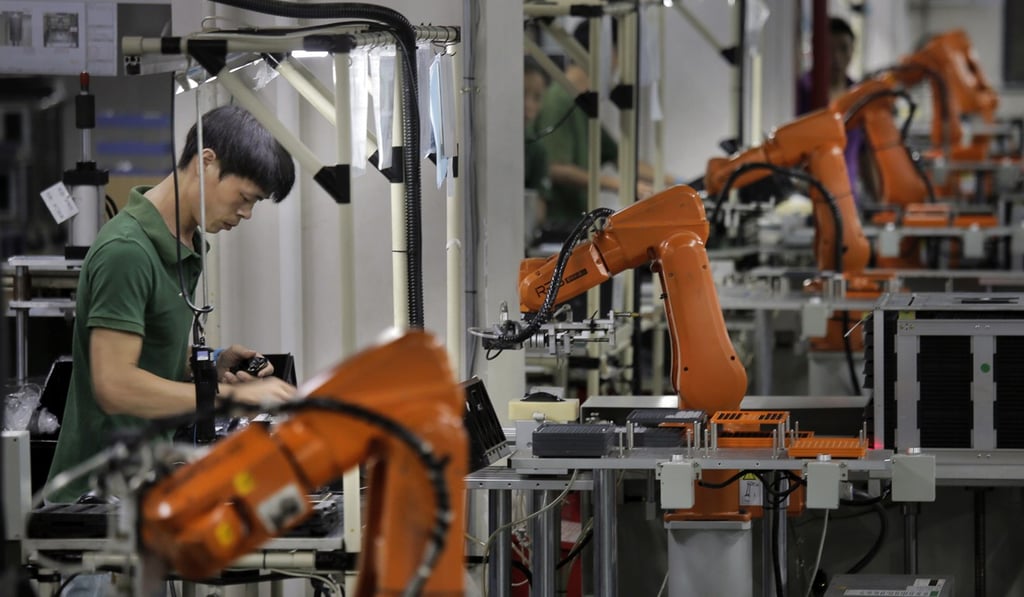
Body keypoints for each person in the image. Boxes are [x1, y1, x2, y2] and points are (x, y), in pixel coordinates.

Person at [46, 104, 297, 503]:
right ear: (206, 162)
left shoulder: (183, 246)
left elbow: (145, 356)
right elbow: (114, 385)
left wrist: (210, 367)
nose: (246, 214)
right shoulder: (127, 251)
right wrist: (228, 400)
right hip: (93, 506)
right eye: (245, 197)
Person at [535, 21, 674, 233]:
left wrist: (673, 182)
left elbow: (621, 158)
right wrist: (619, 185)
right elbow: (555, 167)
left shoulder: (582, 104)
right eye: (619, 55)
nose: (618, 65)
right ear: (607, 52)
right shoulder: (558, 100)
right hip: (557, 225)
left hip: (577, 222)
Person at [796, 16, 866, 202]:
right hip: (808, 200)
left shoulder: (859, 97)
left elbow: (866, 154)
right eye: (828, 49)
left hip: (849, 200)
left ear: (853, 51)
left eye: (843, 48)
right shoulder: (801, 93)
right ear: (815, 51)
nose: (836, 58)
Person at [524, 57, 552, 246]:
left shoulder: (536, 149)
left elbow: (538, 211)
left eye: (536, 97)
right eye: (522, 94)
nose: (529, 105)